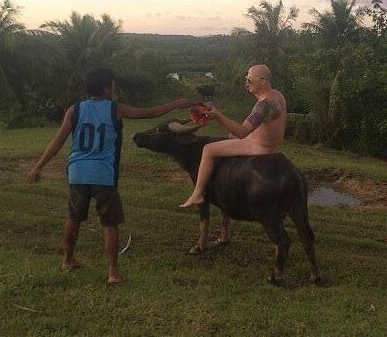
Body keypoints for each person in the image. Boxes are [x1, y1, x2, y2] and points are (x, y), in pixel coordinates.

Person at [26, 68, 190, 285]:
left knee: (73, 217)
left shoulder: (74, 110)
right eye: (112, 85)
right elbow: (148, 113)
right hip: (104, 175)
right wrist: (176, 103)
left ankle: (67, 260)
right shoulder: (115, 109)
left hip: (77, 174)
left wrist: (38, 166)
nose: (114, 89)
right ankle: (113, 272)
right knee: (109, 223)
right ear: (106, 88)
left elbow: (57, 141)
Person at [179, 64, 287, 208]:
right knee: (229, 136)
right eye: (246, 79)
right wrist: (216, 110)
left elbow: (241, 133)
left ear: (263, 81)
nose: (246, 83)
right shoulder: (277, 95)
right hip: (269, 143)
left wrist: (217, 115)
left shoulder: (264, 105)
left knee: (208, 149)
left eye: (250, 79)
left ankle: (197, 193)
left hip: (260, 147)